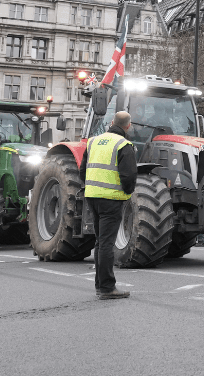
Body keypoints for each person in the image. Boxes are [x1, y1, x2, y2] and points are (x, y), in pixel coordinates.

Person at [81, 110, 138, 299]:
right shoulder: (124, 144)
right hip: (111, 199)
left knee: (100, 241)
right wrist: (127, 193)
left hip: (92, 196)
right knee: (106, 243)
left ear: (112, 122)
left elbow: (83, 170)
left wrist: (90, 187)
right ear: (128, 126)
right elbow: (129, 176)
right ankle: (107, 288)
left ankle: (100, 285)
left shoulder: (94, 141)